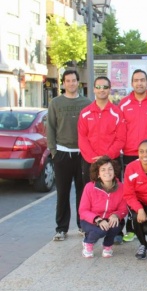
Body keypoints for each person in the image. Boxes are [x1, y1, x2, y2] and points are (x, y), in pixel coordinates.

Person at [118, 69, 147, 243]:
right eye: (136, 80)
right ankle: (131, 227)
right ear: (132, 83)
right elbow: (121, 131)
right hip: (130, 154)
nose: (139, 83)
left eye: (142, 80)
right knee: (131, 191)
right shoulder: (123, 104)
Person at [47, 70, 91, 241]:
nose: (71, 83)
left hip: (82, 154)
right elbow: (50, 127)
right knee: (62, 193)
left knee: (83, 192)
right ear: (63, 83)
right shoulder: (56, 103)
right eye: (68, 81)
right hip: (62, 153)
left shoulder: (86, 103)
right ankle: (61, 228)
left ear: (78, 83)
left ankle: (82, 225)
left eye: (74, 80)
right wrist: (53, 151)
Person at [78, 76, 126, 187]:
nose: (101, 90)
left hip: (112, 162)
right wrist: (93, 158)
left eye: (105, 87)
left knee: (114, 197)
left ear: (109, 89)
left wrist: (106, 157)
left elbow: (121, 139)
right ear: (94, 89)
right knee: (92, 196)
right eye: (98, 87)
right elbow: (82, 138)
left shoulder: (117, 113)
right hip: (90, 162)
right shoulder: (85, 113)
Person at [78, 156, 127, 258]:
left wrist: (116, 215)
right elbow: (83, 210)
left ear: (114, 171)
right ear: (98, 174)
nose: (107, 172)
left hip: (109, 218)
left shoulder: (121, 187)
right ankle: (88, 242)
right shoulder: (89, 187)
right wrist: (98, 219)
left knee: (116, 224)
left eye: (110, 169)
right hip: (90, 220)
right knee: (100, 230)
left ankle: (107, 246)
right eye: (103, 170)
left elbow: (123, 208)